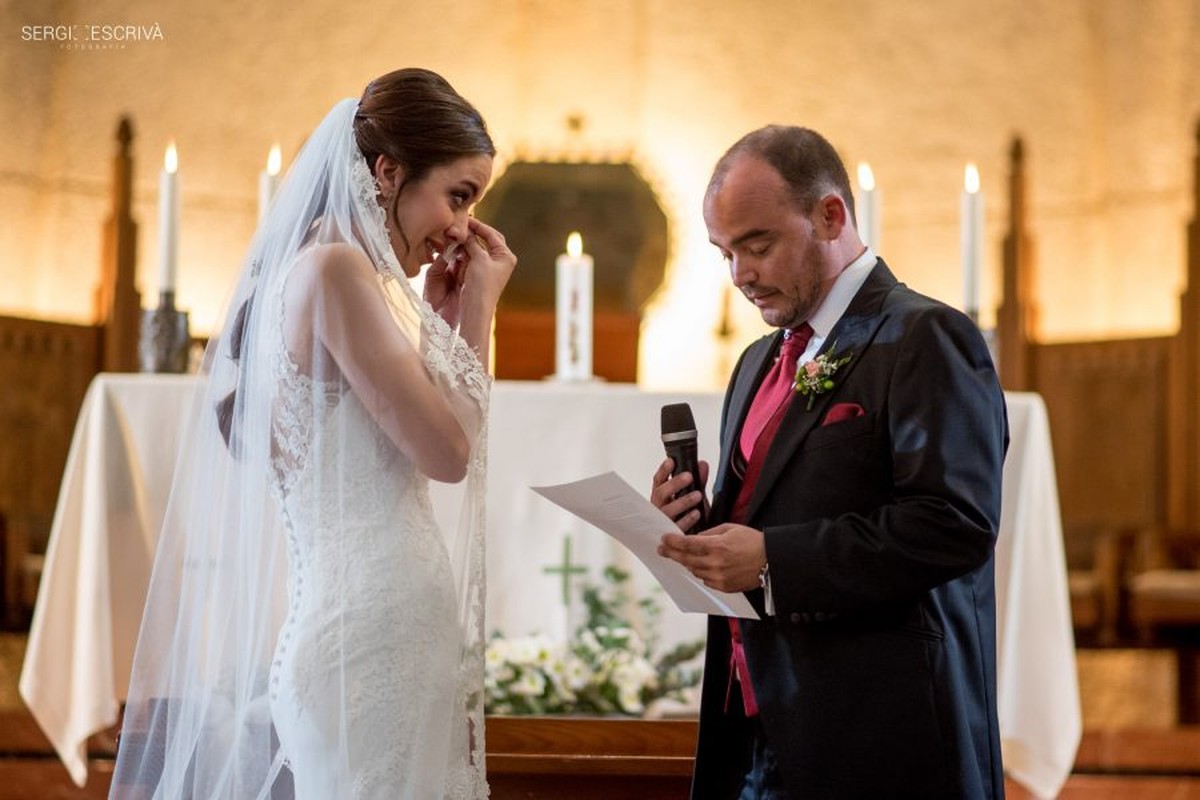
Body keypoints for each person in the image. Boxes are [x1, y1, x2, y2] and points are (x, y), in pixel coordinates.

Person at [110, 68, 515, 799]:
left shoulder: (322, 270)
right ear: (388, 172)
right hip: (372, 644)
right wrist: (478, 308)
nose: (463, 226)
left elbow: (427, 433)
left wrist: (445, 320)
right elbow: (449, 454)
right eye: (459, 195)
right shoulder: (335, 271)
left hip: (367, 629)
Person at [651, 126, 1009, 799]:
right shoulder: (757, 361)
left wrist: (771, 560)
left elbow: (953, 524)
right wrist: (698, 518)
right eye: (725, 254)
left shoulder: (925, 337)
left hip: (878, 737)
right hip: (757, 731)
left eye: (758, 246)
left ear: (830, 215)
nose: (741, 275)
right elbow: (772, 512)